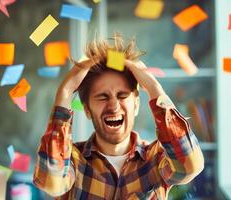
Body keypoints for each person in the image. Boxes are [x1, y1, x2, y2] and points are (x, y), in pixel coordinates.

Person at [33, 34, 204, 200]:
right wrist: (65, 91)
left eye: (122, 96)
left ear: (136, 105)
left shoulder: (156, 159)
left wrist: (153, 86)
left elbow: (190, 166)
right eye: (102, 97)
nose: (113, 106)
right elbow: (51, 182)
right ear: (87, 110)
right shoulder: (72, 160)